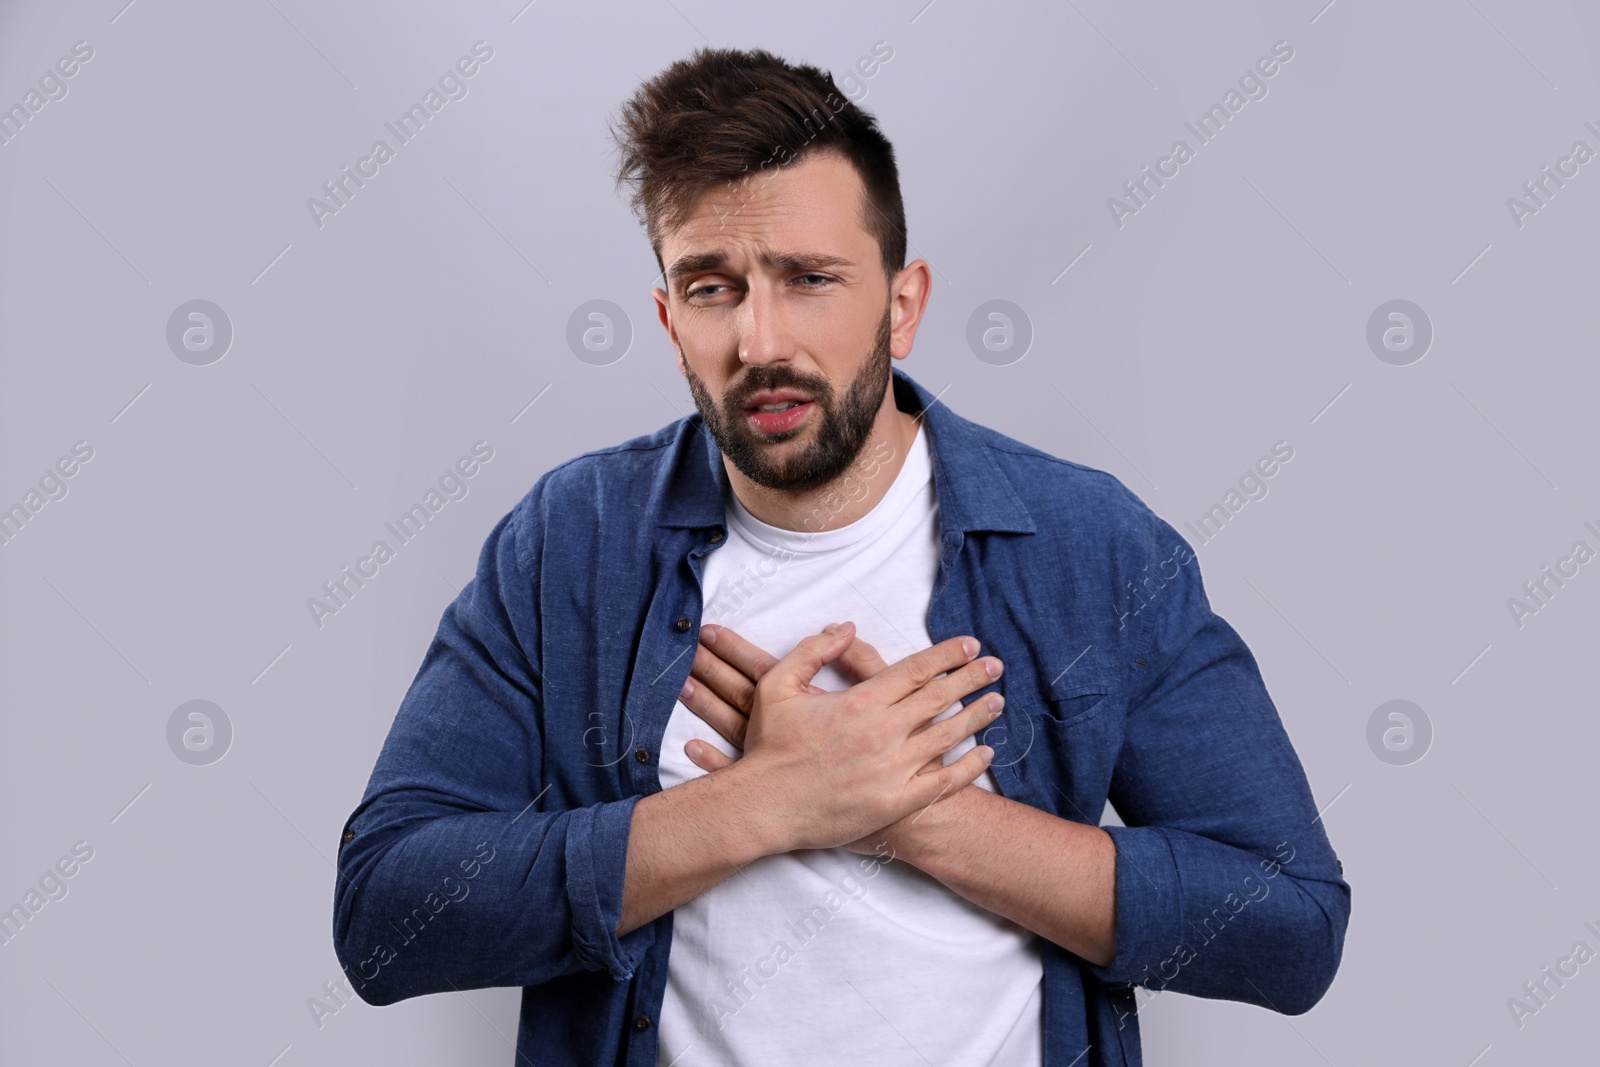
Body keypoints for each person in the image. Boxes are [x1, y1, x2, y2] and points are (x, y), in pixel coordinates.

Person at [331, 46, 1349, 1067]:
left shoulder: (1093, 545)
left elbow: (1291, 924)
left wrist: (919, 817)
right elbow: (386, 911)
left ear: (900, 305)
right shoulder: (569, 539)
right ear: (668, 321)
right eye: (710, 287)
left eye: (809, 279)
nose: (760, 339)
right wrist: (764, 799)